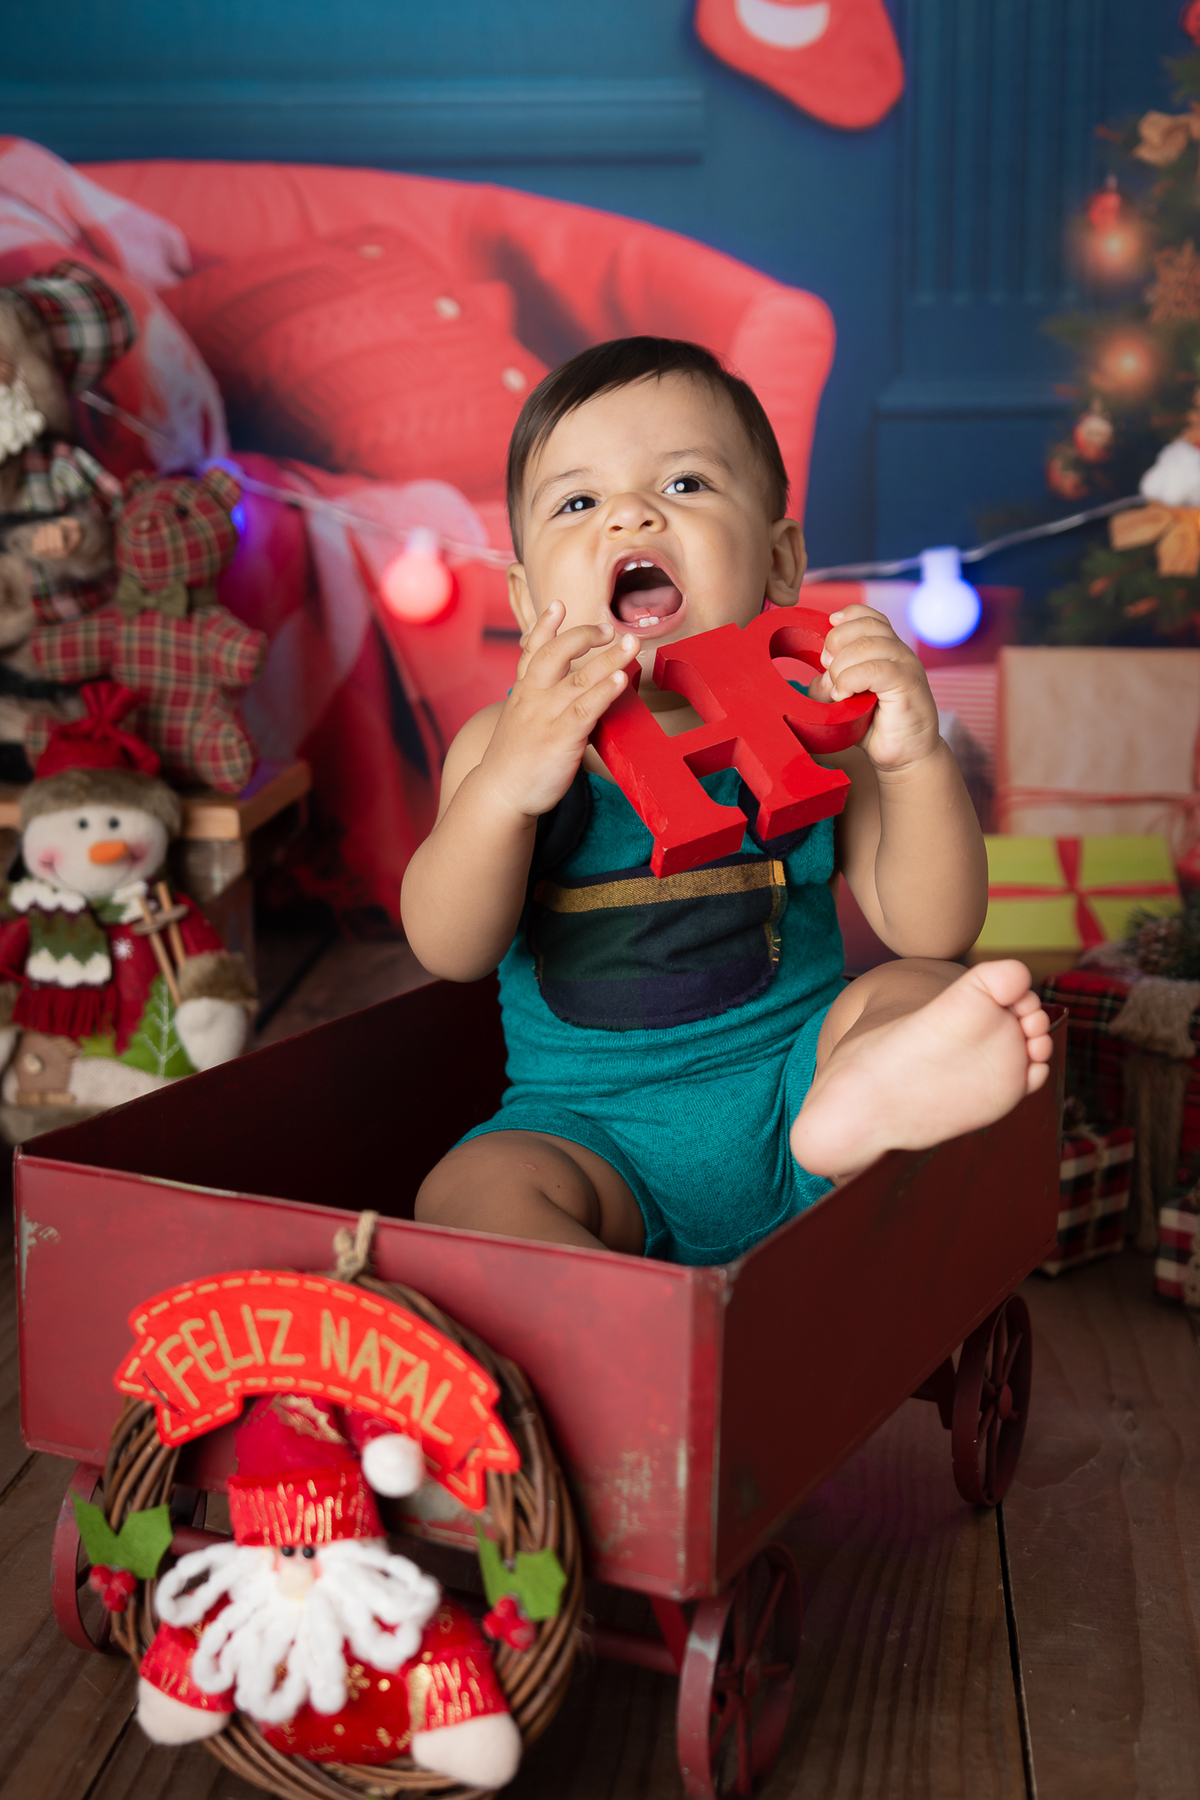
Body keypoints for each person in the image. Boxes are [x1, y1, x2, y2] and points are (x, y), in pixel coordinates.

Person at [400, 337, 1052, 1265]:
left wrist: (911, 760)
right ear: (526, 593)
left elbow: (930, 924)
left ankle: (873, 1087)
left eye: (686, 487)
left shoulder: (819, 721)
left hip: (799, 1087)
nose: (630, 517)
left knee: (918, 989)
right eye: (579, 503)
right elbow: (448, 948)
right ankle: (600, 1310)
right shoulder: (494, 748)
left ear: (780, 563)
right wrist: (507, 788)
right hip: (591, 1131)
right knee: (465, 1188)